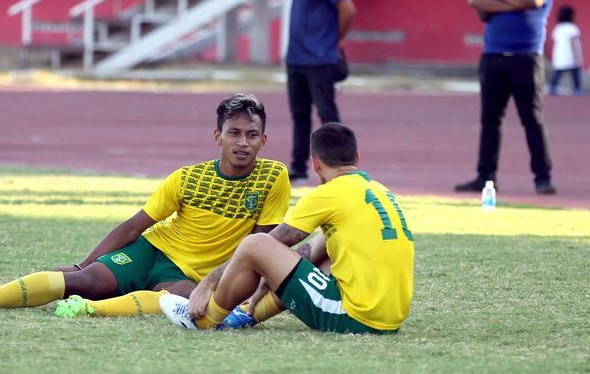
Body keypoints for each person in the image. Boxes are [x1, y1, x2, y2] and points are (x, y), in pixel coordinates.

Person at [0, 93, 291, 318]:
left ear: (264, 140)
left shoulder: (273, 177)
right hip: (152, 251)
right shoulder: (188, 178)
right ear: (218, 137)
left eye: (251, 135)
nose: (242, 142)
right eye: (234, 133)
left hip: (191, 275)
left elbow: (258, 245)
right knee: (88, 279)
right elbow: (132, 227)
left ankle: (89, 311)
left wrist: (229, 286)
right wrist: (82, 265)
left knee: (181, 303)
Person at [160, 122, 414, 334]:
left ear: (315, 164)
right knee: (322, 251)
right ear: (356, 158)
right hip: (391, 317)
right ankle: (243, 316)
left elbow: (270, 244)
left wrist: (208, 282)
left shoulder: (329, 193)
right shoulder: (379, 190)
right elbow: (313, 249)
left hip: (357, 318)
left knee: (255, 243)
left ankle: (202, 320)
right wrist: (274, 276)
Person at [456, 0, 557, 195]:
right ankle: (485, 177)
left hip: (527, 57)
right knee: (490, 120)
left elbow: (534, 0)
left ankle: (542, 177)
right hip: (493, 56)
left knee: (532, 119)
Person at [285, 0, 356, 185]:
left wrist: (336, 41)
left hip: (319, 58)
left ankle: (338, 168)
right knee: (300, 114)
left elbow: (347, 9)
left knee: (327, 114)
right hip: (296, 57)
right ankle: (299, 167)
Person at [548, 5, 584, 95]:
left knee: (557, 73)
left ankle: (552, 87)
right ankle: (577, 89)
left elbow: (555, 40)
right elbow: (573, 42)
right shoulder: (572, 28)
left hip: (560, 55)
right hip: (570, 55)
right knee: (575, 74)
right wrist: (575, 55)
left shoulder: (558, 28)